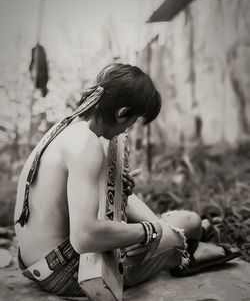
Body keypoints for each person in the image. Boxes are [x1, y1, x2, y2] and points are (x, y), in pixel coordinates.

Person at [14, 63, 240, 297]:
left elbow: (68, 201)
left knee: (173, 225)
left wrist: (119, 191)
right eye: (133, 122)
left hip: (34, 262)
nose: (127, 131)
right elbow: (84, 237)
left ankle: (187, 237)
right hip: (67, 271)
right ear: (122, 113)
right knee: (188, 221)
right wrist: (150, 232)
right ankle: (187, 250)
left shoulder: (66, 128)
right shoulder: (87, 144)